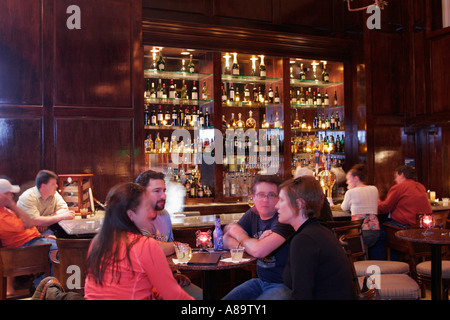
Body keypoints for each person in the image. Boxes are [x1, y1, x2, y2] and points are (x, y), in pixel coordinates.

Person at [84, 182, 193, 300]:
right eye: (146, 208)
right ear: (131, 215)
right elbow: (174, 296)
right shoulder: (145, 245)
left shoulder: (97, 242)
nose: (151, 214)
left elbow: (121, 287)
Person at [276, 175, 355, 300]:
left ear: (299, 204)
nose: (277, 206)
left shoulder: (304, 240)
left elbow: (302, 295)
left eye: (281, 200)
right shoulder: (318, 231)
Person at [222, 175, 294, 300]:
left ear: (279, 198)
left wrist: (242, 237)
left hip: (284, 285)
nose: (265, 200)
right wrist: (250, 244)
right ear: (253, 197)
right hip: (261, 282)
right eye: (261, 195)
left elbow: (258, 251)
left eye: (271, 195)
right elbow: (225, 240)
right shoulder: (253, 213)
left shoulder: (284, 218)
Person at [135, 169, 203, 300]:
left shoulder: (164, 215)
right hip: (143, 286)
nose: (163, 196)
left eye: (164, 191)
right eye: (157, 191)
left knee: (201, 296)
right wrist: (176, 245)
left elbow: (170, 254)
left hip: (165, 281)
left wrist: (175, 273)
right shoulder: (135, 217)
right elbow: (151, 249)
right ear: (141, 193)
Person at [0, 178, 57, 295]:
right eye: (9, 193)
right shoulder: (2, 217)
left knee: (62, 244)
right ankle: (39, 287)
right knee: (64, 252)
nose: (12, 195)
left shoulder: (5, 210)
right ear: (2, 195)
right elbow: (29, 223)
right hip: (25, 250)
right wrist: (12, 205)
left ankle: (46, 286)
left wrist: (43, 238)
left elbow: (28, 225)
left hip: (33, 242)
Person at [17, 170, 74, 236]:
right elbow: (35, 221)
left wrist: (46, 220)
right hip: (26, 235)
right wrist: (60, 217)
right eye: (53, 184)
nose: (56, 186)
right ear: (43, 186)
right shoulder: (27, 197)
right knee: (58, 244)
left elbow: (64, 209)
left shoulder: (54, 194)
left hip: (45, 231)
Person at [341, 164, 380, 249]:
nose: (347, 182)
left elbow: (344, 207)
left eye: (348, 179)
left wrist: (350, 190)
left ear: (356, 178)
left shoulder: (351, 192)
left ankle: (357, 261)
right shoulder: (374, 189)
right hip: (375, 231)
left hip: (359, 232)